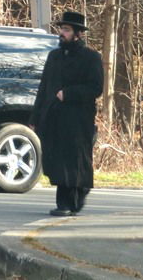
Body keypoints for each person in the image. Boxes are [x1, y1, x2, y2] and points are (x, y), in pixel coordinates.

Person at [31, 11, 103, 216]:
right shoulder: (54, 56)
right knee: (56, 159)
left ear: (78, 34)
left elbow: (96, 88)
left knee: (75, 160)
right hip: (53, 116)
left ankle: (70, 201)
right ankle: (66, 201)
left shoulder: (91, 58)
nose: (61, 33)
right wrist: (34, 118)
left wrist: (69, 94)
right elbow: (43, 88)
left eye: (66, 30)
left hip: (78, 118)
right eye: (61, 29)